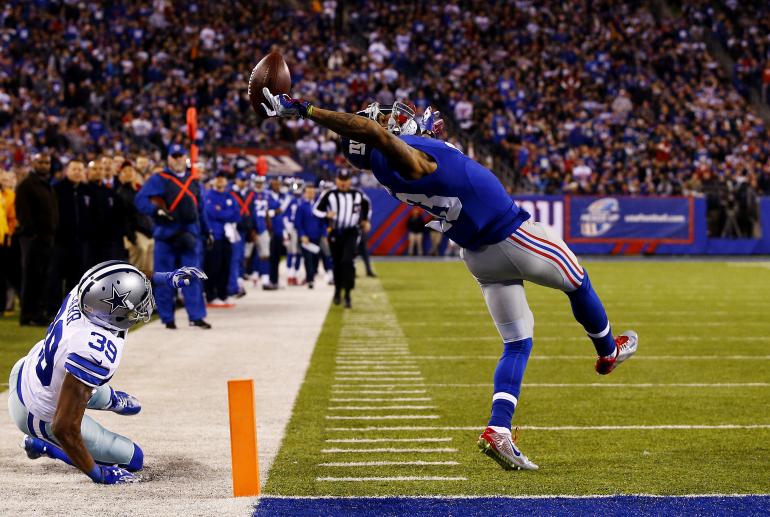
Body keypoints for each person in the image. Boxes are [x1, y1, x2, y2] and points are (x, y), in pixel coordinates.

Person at [261, 91, 639, 470]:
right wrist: (306, 110)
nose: (394, 119)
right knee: (577, 281)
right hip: (512, 235)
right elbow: (369, 132)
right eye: (386, 120)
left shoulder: (393, 166)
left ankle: (499, 430)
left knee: (517, 343)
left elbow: (376, 136)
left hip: (479, 255)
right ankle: (608, 351)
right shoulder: (402, 156)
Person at [8, 260, 205, 484]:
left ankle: (108, 398)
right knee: (133, 459)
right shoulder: (92, 350)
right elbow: (63, 427)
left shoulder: (88, 291)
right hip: (36, 414)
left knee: (82, 379)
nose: (145, 304)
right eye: (138, 303)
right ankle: (44, 445)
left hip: (27, 368)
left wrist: (166, 278)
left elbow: (124, 276)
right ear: (115, 314)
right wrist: (99, 474)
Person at [134, 144, 212, 329]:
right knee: (165, 277)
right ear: (168, 158)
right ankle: (167, 318)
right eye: (174, 156)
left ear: (185, 157)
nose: (177, 159)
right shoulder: (158, 178)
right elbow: (140, 200)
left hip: (189, 235)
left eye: (180, 155)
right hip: (166, 235)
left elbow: (201, 210)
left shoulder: (193, 180)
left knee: (192, 275)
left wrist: (207, 231)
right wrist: (156, 211)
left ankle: (196, 317)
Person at [311, 168, 371, 308]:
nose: (343, 183)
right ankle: (338, 291)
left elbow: (367, 205)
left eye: (346, 180)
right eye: (341, 180)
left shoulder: (357, 194)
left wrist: (366, 220)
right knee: (337, 263)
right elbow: (316, 210)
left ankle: (348, 294)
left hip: (351, 232)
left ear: (350, 181)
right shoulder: (329, 194)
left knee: (347, 261)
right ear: (336, 180)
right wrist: (327, 215)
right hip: (335, 232)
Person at [15, 153, 58, 326]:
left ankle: (38, 313)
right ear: (33, 162)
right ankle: (27, 315)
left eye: (47, 162)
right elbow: (23, 212)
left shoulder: (47, 185)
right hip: (32, 239)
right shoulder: (26, 185)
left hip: (47, 239)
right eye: (41, 162)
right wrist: (32, 233)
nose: (44, 165)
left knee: (42, 278)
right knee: (31, 277)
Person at [204, 172, 240, 307]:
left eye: (222, 179)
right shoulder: (209, 195)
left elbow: (237, 215)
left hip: (228, 237)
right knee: (214, 266)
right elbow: (211, 212)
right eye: (218, 178)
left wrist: (222, 212)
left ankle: (223, 294)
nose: (220, 181)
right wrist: (227, 212)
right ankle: (211, 295)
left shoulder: (230, 196)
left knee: (226, 266)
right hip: (215, 236)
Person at [116, 160, 154, 276]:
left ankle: (148, 292)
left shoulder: (140, 191)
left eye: (130, 170)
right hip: (136, 233)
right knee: (137, 270)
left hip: (148, 232)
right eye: (125, 171)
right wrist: (131, 236)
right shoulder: (121, 193)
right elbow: (123, 217)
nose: (128, 173)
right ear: (120, 175)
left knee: (149, 270)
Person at [228, 171, 255, 298]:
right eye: (241, 180)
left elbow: (252, 211)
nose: (243, 182)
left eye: (244, 180)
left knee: (241, 257)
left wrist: (253, 228)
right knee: (235, 257)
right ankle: (235, 284)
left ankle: (238, 281)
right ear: (236, 180)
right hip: (233, 229)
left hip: (245, 229)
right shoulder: (230, 192)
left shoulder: (249, 193)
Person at [295, 183, 327, 288]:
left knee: (315, 258)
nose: (310, 194)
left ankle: (312, 275)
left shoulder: (318, 205)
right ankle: (310, 279)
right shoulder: (301, 206)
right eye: (308, 192)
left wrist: (324, 234)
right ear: (304, 193)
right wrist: (302, 235)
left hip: (317, 236)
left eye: (312, 192)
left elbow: (322, 220)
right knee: (308, 258)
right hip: (306, 237)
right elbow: (298, 223)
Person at [265, 176, 291, 290]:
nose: (277, 185)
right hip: (271, 231)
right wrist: (277, 211)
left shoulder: (282, 196)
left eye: (278, 184)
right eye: (275, 183)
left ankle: (275, 280)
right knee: (271, 257)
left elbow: (284, 215)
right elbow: (266, 212)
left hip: (280, 230)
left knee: (277, 258)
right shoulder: (267, 196)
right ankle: (270, 280)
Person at [249, 175, 271, 287]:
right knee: (245, 256)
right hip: (250, 228)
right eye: (257, 182)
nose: (259, 184)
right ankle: (244, 277)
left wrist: (269, 225)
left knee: (264, 254)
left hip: (262, 227)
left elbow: (267, 212)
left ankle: (265, 278)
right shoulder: (249, 195)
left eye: (260, 182)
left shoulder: (266, 195)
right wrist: (251, 228)